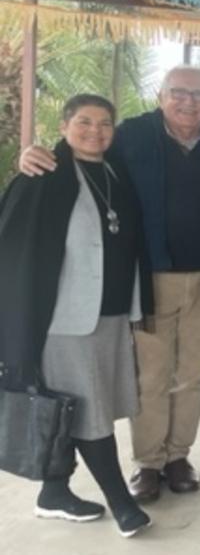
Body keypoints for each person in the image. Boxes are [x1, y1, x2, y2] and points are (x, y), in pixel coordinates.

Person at [18, 67, 200, 502]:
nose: (188, 102)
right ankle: (150, 463)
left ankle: (179, 456)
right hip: (150, 277)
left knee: (191, 376)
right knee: (152, 377)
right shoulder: (132, 135)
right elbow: (84, 149)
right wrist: (32, 155)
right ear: (161, 96)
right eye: (178, 92)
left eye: (199, 95)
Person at [0, 94, 153, 537]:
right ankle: (122, 504)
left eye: (105, 123)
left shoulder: (114, 169)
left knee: (70, 404)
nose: (95, 131)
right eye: (84, 121)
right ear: (65, 124)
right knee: (90, 409)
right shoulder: (42, 172)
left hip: (110, 313)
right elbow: (12, 245)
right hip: (63, 318)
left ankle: (54, 492)